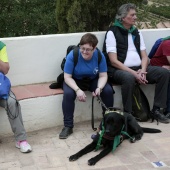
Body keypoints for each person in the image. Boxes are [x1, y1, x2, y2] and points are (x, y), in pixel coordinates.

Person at [102, 3, 170, 123]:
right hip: (118, 70)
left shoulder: (136, 32)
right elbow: (113, 61)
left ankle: (157, 110)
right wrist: (134, 73)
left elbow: (144, 57)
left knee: (163, 73)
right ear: (123, 18)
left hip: (139, 69)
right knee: (128, 78)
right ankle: (128, 114)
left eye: (135, 15)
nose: (135, 17)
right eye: (132, 15)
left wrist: (142, 71)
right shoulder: (112, 32)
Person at [59, 33, 114, 139]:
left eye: (88, 49)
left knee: (107, 90)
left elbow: (103, 75)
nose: (84, 51)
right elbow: (67, 77)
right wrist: (77, 90)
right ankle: (68, 126)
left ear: (94, 48)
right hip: (74, 80)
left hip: (92, 79)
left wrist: (99, 88)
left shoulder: (99, 55)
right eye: (82, 48)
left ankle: (107, 122)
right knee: (68, 94)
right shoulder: (73, 54)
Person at [0, 41, 32, 153]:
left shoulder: (0, 45)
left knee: (12, 102)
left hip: (0, 87)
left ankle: (21, 140)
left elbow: (5, 70)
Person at [150, 39, 170, 118]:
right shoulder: (167, 43)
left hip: (166, 69)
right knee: (167, 75)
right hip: (156, 68)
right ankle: (166, 110)